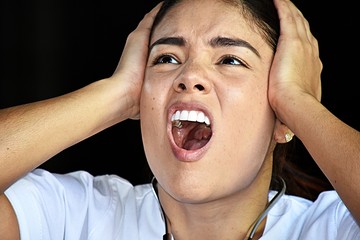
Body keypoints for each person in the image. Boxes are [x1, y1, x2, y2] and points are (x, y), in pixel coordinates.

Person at [0, 0, 359, 239]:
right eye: (167, 58)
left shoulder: (328, 229)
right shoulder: (75, 216)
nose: (189, 75)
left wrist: (298, 103)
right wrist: (116, 94)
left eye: (230, 60)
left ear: (281, 117)